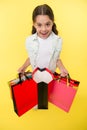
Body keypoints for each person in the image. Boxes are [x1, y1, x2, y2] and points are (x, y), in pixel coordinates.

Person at [18, 4, 68, 77]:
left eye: (47, 24)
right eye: (39, 25)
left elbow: (56, 59)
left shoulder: (57, 40)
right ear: (34, 24)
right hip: (35, 77)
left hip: (51, 78)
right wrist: (23, 67)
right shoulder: (29, 40)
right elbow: (31, 58)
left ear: (52, 23)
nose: (44, 29)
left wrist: (62, 68)